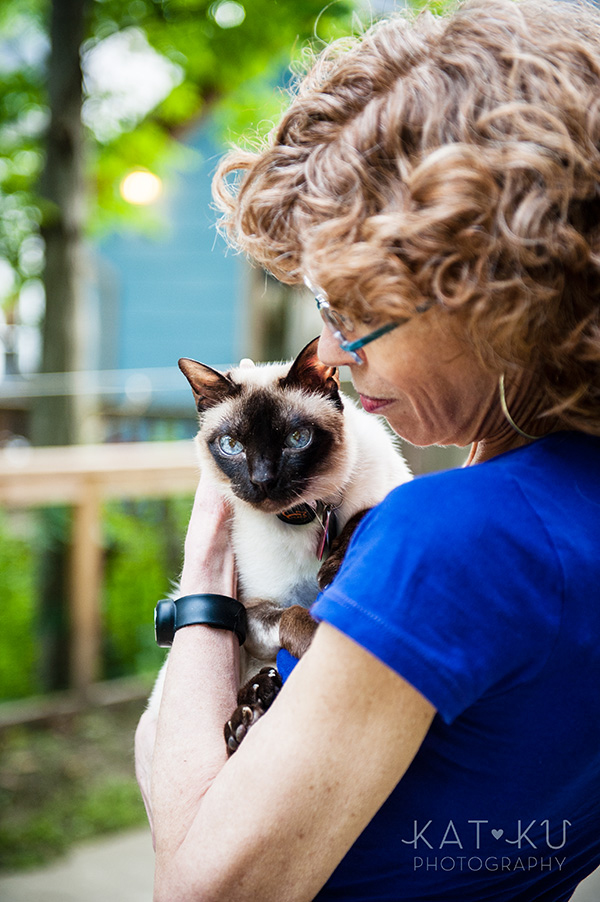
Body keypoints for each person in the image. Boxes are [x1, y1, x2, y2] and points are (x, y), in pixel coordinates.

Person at [135, 0, 600, 899]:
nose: (339, 356)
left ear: (500, 295)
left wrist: (205, 573)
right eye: (323, 308)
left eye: (357, 311)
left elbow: (201, 888)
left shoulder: (455, 536)